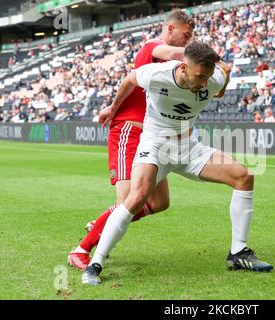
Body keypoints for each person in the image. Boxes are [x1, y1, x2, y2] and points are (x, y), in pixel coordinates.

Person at [82, 41, 273, 285]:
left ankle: (238, 252)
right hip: (155, 145)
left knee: (244, 175)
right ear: (183, 68)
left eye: (208, 76)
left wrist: (225, 72)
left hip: (189, 147)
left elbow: (220, 87)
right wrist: (112, 107)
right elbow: (130, 80)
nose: (204, 83)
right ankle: (94, 264)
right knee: (137, 196)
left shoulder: (212, 78)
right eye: (199, 76)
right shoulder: (157, 75)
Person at [68, 9, 195, 270]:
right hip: (129, 130)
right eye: (186, 35)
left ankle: (103, 223)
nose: (188, 41)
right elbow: (171, 53)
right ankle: (81, 249)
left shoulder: (173, 68)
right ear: (170, 29)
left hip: (151, 136)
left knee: (160, 202)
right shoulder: (154, 46)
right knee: (126, 201)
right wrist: (203, 55)